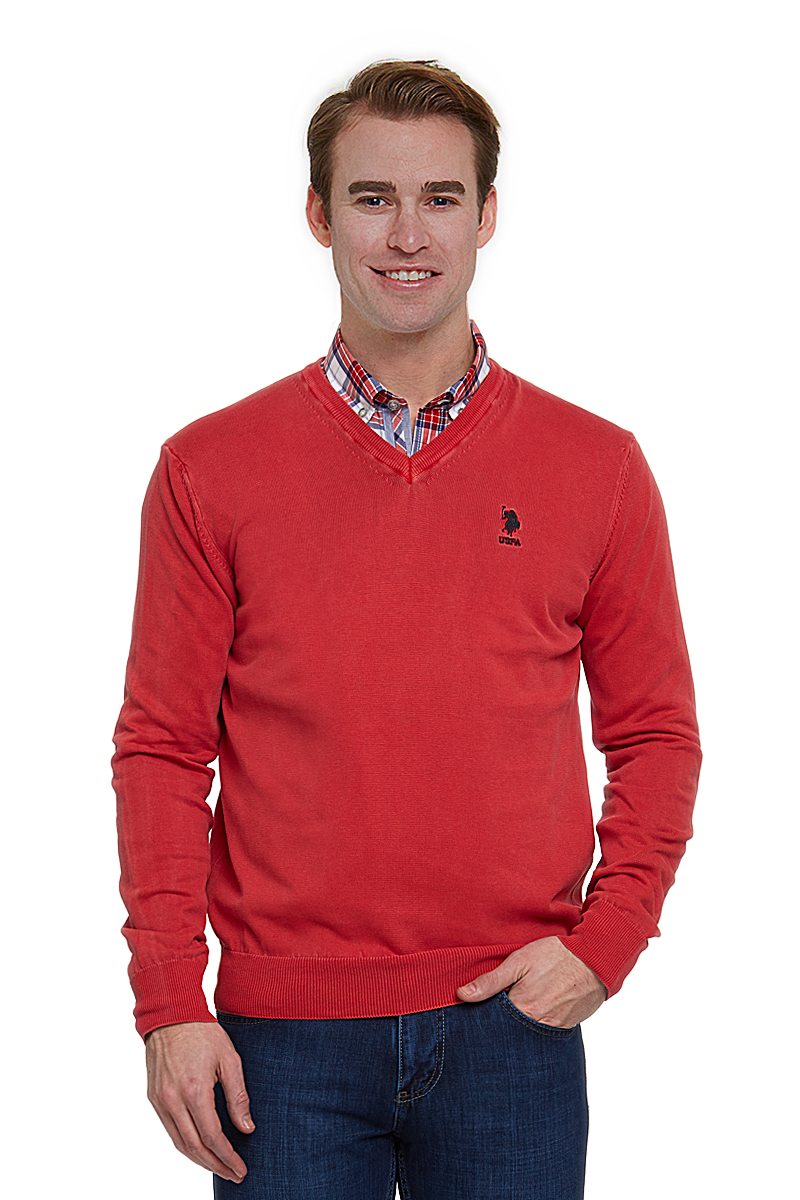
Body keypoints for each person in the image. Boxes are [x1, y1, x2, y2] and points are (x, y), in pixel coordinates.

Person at [112, 59, 702, 1199]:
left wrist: (606, 945)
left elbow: (656, 735)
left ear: (486, 215)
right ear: (318, 214)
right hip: (281, 1041)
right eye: (372, 197)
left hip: (512, 1023)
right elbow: (162, 750)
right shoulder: (207, 469)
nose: (406, 234)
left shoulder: (598, 468)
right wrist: (170, 1002)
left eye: (440, 197)